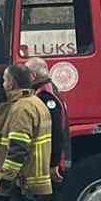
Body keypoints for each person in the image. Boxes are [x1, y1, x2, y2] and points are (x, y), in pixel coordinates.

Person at [0, 64, 55, 201]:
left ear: (12, 83)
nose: (2, 84)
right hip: (29, 180)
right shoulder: (36, 103)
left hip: (20, 182)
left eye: (4, 80)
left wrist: (6, 178)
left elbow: (18, 148)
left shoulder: (21, 109)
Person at [24, 57, 71, 188]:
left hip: (50, 164)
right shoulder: (47, 91)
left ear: (33, 76)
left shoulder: (46, 96)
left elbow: (56, 132)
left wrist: (53, 164)